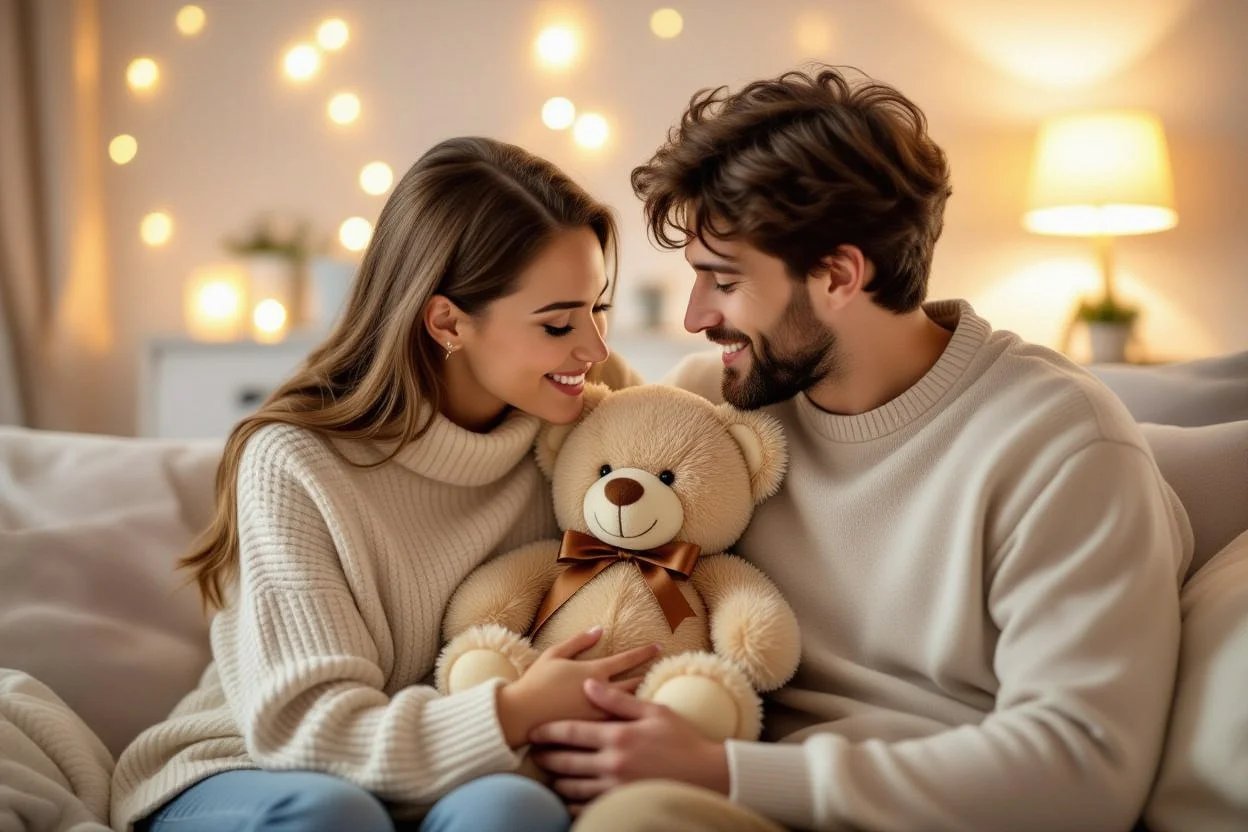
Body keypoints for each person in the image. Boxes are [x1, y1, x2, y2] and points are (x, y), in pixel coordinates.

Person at [527, 67, 1193, 831]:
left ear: (840, 274)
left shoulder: (1063, 445)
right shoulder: (705, 412)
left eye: (724, 280)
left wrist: (734, 773)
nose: (693, 315)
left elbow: (1083, 770)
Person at [110, 136, 656, 832]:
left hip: (463, 777)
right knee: (334, 817)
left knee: (515, 811)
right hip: (260, 770)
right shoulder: (294, 462)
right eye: (558, 323)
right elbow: (305, 729)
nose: (594, 348)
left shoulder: (590, 411)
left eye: (597, 309)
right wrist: (515, 710)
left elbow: (698, 441)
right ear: (447, 321)